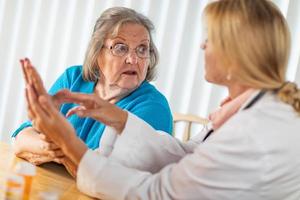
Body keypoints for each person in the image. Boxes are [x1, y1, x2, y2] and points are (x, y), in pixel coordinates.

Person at [22, 0, 300, 199]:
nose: (202, 45)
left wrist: (66, 142)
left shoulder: (251, 134)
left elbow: (157, 192)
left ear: (238, 54)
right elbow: (186, 154)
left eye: (210, 39)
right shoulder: (248, 112)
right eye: (120, 48)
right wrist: (117, 117)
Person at [12, 7, 173, 166]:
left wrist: (59, 144)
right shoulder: (73, 78)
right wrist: (49, 147)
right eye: (120, 48)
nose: (133, 59)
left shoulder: (154, 107)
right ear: (97, 53)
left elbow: (109, 174)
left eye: (142, 49)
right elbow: (23, 137)